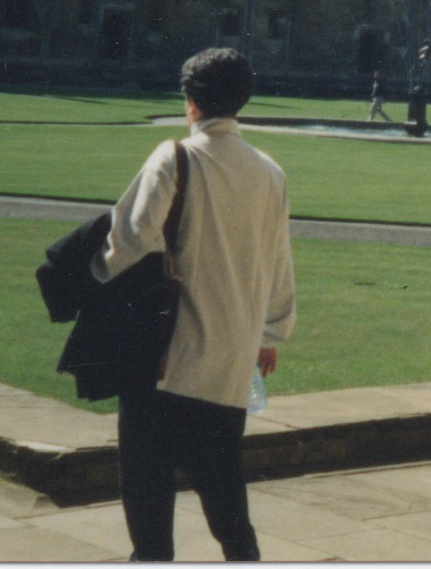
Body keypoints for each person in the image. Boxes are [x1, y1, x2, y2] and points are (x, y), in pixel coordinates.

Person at [96, 48, 295, 561]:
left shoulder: (175, 156)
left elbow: (130, 241)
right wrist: (271, 334)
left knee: (149, 507)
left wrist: (93, 268)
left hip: (165, 360)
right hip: (229, 367)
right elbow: (279, 260)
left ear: (190, 103)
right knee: (229, 508)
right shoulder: (271, 172)